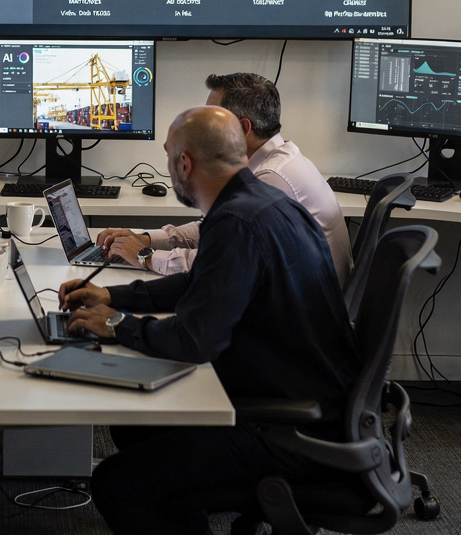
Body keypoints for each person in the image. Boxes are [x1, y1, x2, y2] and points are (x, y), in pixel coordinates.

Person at [58, 106, 361, 535]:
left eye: (168, 156)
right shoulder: (265, 201)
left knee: (116, 484)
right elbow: (199, 283)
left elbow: (194, 341)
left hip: (293, 430)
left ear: (184, 163)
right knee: (133, 426)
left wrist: (114, 325)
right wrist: (112, 295)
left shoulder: (237, 221)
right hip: (315, 403)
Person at [98, 71, 352, 285]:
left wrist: (145, 256)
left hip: (296, 323)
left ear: (242, 129)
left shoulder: (271, 179)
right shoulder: (277, 159)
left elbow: (216, 261)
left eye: (213, 119)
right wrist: (146, 239)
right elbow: (216, 230)